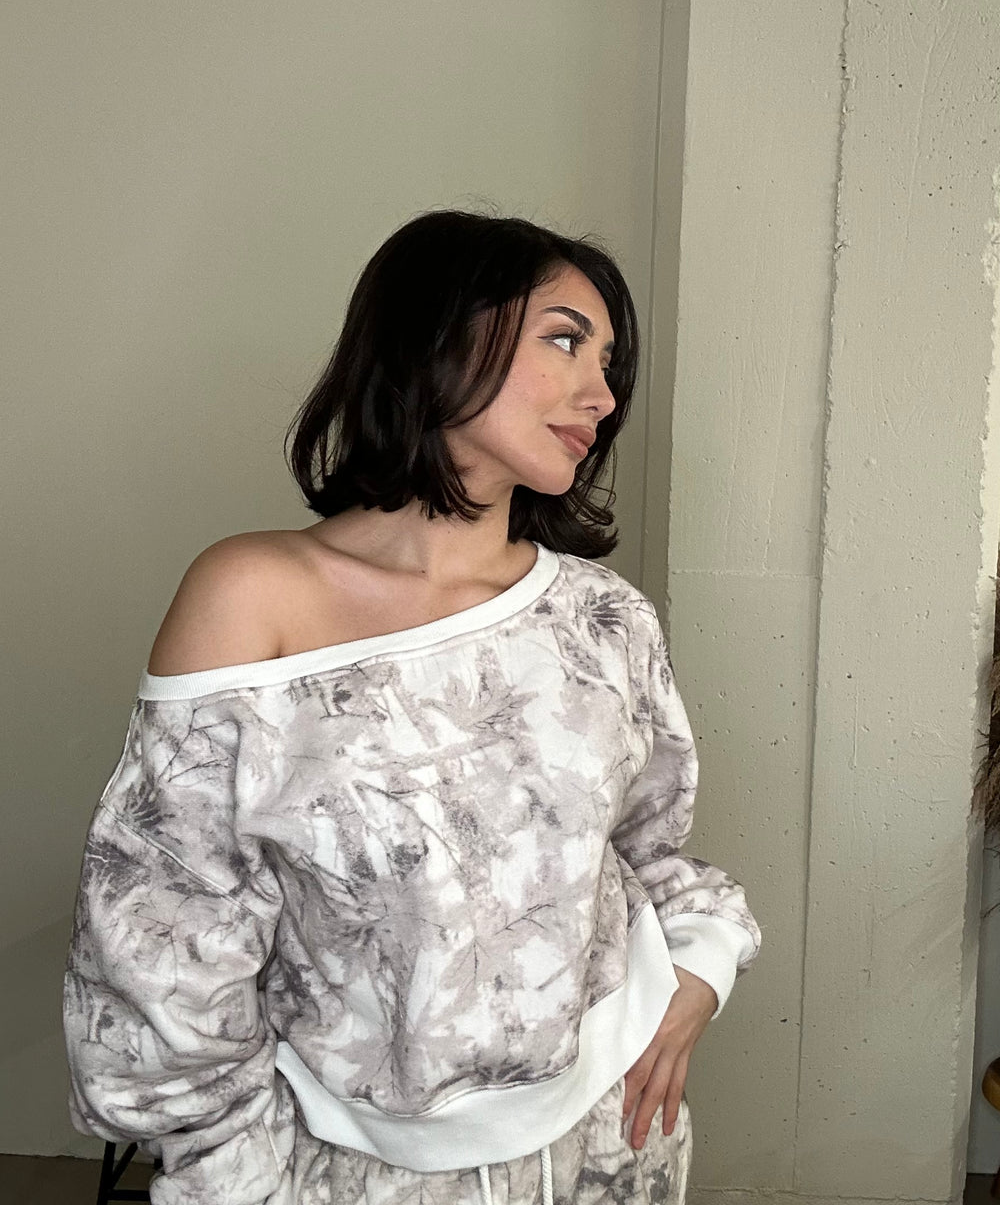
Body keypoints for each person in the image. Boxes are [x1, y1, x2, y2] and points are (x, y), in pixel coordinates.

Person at [63, 209, 760, 1205]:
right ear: (438, 337)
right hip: (345, 1169)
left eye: (611, 363)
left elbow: (646, 853)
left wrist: (701, 967)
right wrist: (236, 1175)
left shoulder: (604, 618)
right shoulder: (253, 598)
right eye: (566, 339)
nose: (603, 396)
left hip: (616, 1142)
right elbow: (164, 936)